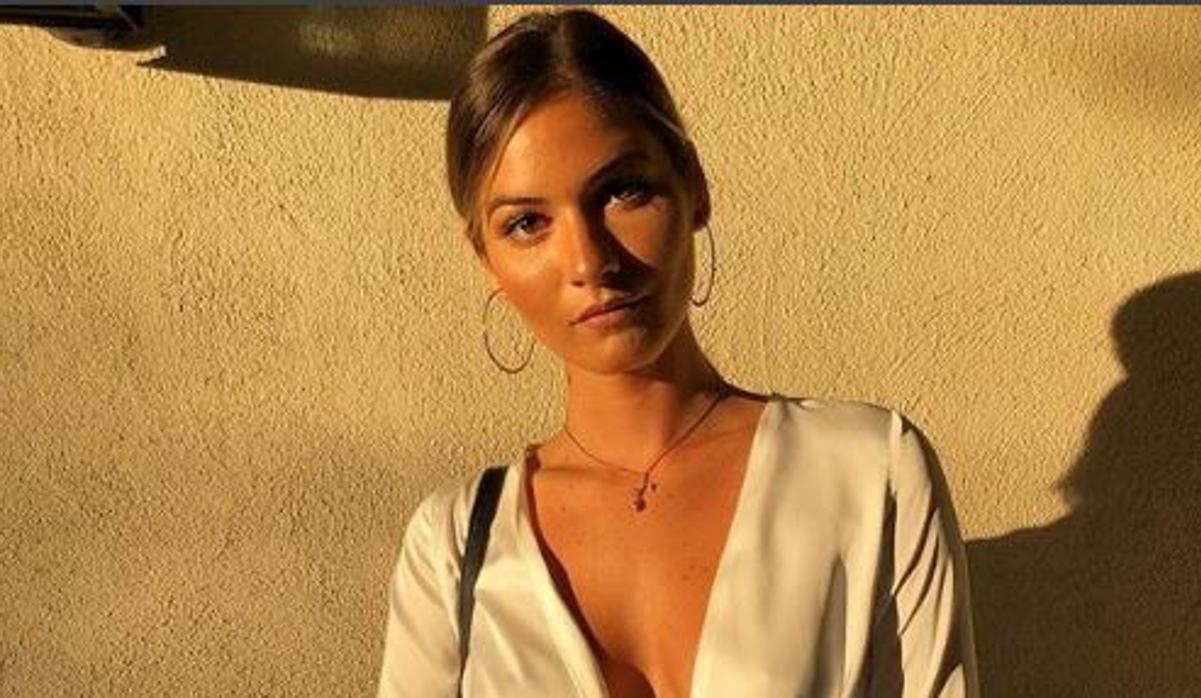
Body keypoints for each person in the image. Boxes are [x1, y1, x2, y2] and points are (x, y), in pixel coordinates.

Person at [377, 9, 978, 698]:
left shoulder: (869, 471)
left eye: (621, 191)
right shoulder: (452, 550)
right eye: (527, 223)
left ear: (693, 187)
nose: (589, 262)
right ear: (486, 257)